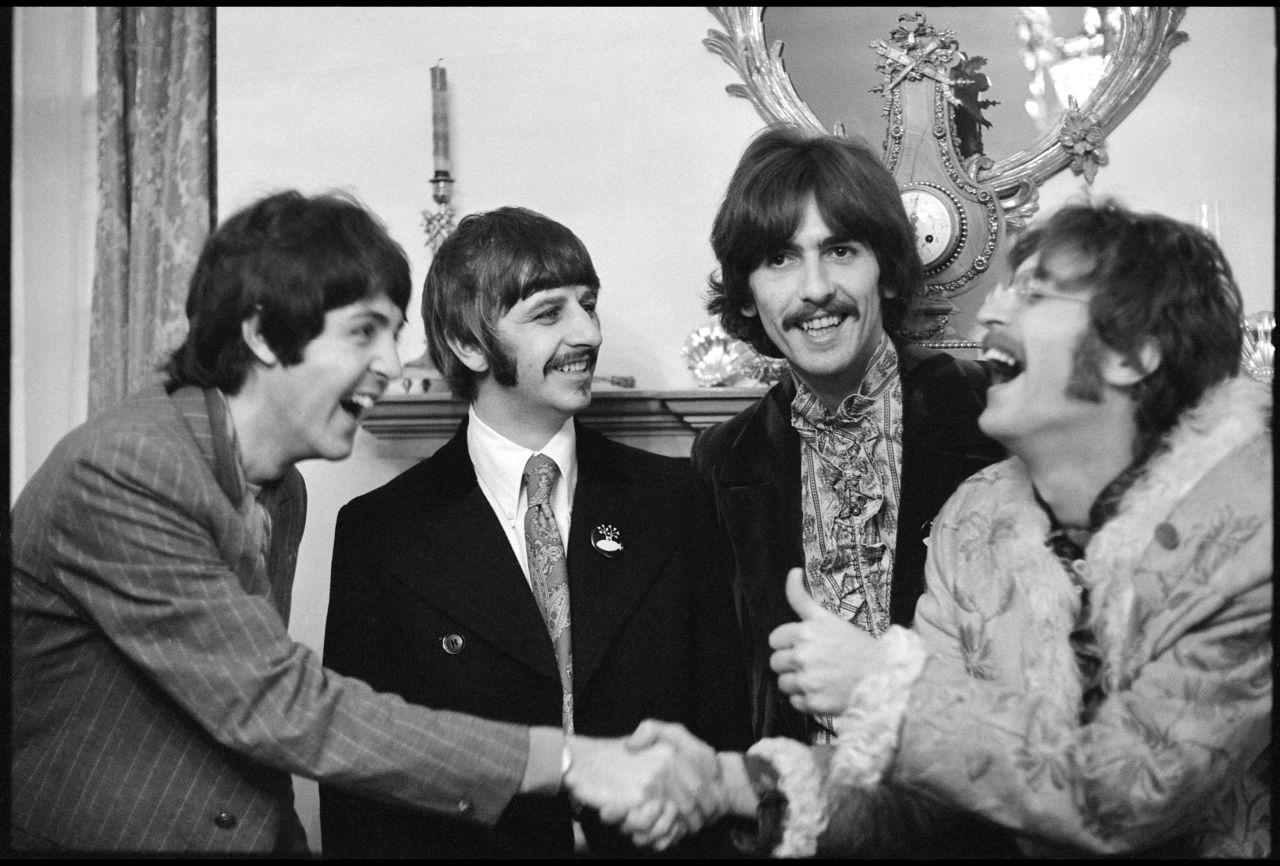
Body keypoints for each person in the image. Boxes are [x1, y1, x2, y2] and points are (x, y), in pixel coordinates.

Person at [9, 190, 701, 854]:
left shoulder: (282, 487)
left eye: (392, 335)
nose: (390, 365)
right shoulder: (131, 467)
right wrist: (568, 760)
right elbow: (280, 704)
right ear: (262, 334)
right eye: (363, 332)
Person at [625, 199, 1272, 857]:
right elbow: (926, 791)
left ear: (1133, 354)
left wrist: (884, 685)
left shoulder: (1251, 532)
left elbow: (1126, 793)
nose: (988, 315)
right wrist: (730, 781)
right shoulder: (975, 519)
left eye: (1034, 296)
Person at [318, 206, 753, 857]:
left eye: (588, 304)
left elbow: (725, 730)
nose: (587, 332)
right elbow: (360, 779)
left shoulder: (678, 500)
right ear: (468, 343)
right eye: (549, 314)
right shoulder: (380, 533)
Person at [691, 125, 1005, 751]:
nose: (815, 290)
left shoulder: (991, 415)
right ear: (747, 295)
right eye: (780, 259)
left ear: (886, 271)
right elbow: (724, 686)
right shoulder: (723, 460)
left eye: (839, 251)